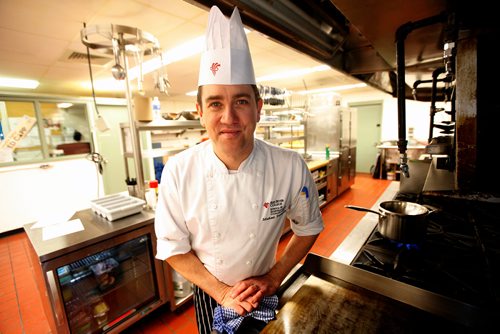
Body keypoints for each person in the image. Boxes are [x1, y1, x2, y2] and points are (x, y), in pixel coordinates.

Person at [154, 6, 324, 334]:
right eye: (216, 103)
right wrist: (221, 292)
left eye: (241, 101)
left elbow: (309, 227)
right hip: (209, 290)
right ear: (200, 111)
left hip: (266, 288)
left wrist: (274, 277)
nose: (229, 117)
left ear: (258, 108)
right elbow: (173, 248)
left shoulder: (289, 166)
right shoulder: (178, 171)